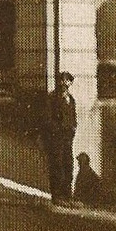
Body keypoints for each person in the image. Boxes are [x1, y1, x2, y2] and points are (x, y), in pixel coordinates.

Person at [43, 70, 78, 206]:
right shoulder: (52, 98)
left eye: (67, 80)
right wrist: (56, 130)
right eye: (62, 80)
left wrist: (73, 128)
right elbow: (47, 118)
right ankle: (57, 196)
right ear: (58, 82)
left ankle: (67, 195)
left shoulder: (71, 99)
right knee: (56, 165)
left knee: (68, 165)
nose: (65, 83)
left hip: (68, 138)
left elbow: (73, 117)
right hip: (56, 138)